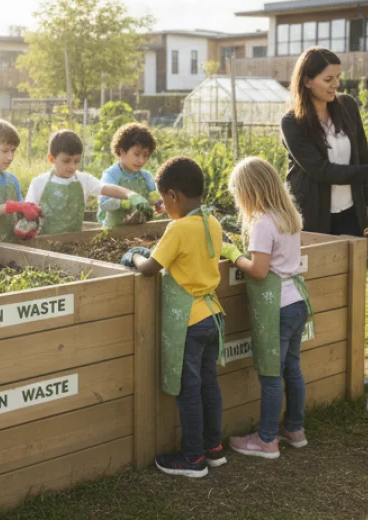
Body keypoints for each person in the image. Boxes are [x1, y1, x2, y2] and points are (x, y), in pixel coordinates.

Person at [121, 157, 225, 477]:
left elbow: (151, 268)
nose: (163, 206)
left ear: (174, 196)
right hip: (214, 315)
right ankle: (213, 448)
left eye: (162, 199)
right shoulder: (213, 222)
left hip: (189, 323)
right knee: (209, 385)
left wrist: (134, 255)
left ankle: (193, 458)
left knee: (188, 391)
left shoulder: (178, 228)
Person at [221, 157, 312, 459]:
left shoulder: (262, 223)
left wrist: (233, 254)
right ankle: (295, 429)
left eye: (238, 194)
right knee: (292, 369)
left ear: (250, 191)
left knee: (271, 375)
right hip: (297, 302)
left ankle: (266, 439)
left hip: (277, 309)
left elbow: (259, 271)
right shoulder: (288, 216)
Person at [280, 47, 368, 237]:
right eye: (328, 79)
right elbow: (320, 170)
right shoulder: (291, 122)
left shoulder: (347, 106)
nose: (336, 84)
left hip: (350, 212)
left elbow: (363, 156)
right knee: (319, 266)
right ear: (307, 81)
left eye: (338, 77)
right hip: (312, 215)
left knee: (352, 265)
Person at [25, 129, 148, 235]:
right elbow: (28, 213)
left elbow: (107, 188)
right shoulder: (39, 183)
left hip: (74, 242)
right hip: (44, 244)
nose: (72, 166)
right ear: (52, 158)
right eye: (66, 161)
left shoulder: (83, 180)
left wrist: (131, 195)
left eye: (77, 161)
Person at [99, 122, 164, 228]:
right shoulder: (111, 174)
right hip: (113, 232)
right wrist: (124, 203)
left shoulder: (146, 177)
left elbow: (155, 199)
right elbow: (103, 204)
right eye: (137, 154)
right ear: (122, 152)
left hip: (139, 231)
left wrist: (159, 204)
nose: (141, 160)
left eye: (146, 155)